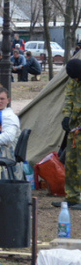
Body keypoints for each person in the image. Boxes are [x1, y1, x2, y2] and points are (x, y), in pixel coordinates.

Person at [53, 59, 81, 210]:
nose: (76, 80)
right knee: (70, 163)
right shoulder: (73, 78)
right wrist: (66, 116)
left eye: (78, 77)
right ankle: (72, 197)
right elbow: (69, 98)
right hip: (74, 128)